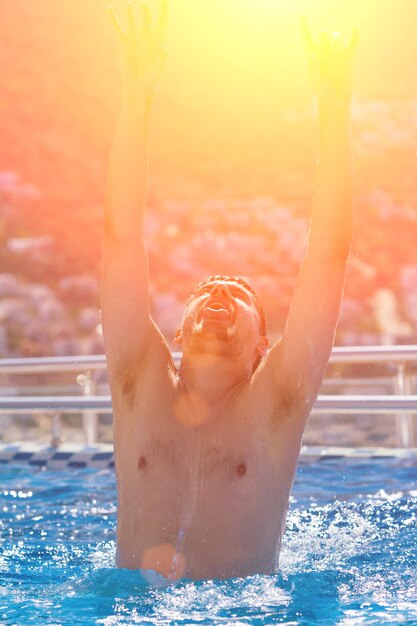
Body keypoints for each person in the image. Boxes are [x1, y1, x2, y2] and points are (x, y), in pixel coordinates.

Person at [101, 1, 357, 580]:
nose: (219, 293)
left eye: (240, 294)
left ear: (264, 346)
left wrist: (335, 109)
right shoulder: (137, 379)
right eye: (206, 289)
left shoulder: (278, 403)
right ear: (178, 326)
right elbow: (121, 240)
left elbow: (328, 258)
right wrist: (135, 95)